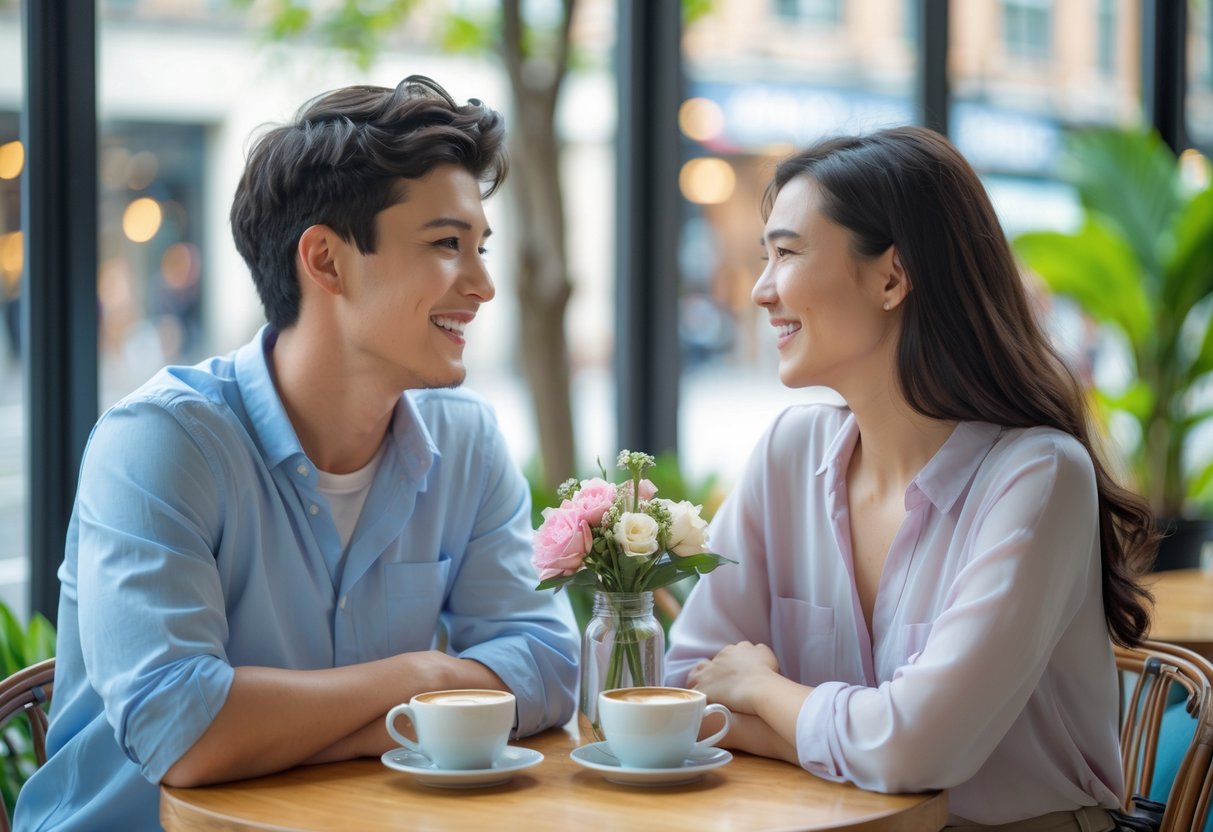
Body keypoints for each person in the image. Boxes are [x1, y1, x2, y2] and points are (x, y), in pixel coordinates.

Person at [14, 76, 579, 831]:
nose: (481, 285)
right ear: (326, 260)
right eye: (447, 244)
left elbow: (547, 666)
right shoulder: (159, 443)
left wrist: (275, 727)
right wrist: (428, 678)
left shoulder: (464, 441)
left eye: (479, 248)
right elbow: (181, 730)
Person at [665, 126, 1156, 830]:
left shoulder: (1037, 477)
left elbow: (916, 747)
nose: (761, 291)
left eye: (786, 253)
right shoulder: (787, 452)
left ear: (891, 277)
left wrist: (761, 690)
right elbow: (685, 688)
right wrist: (837, 737)